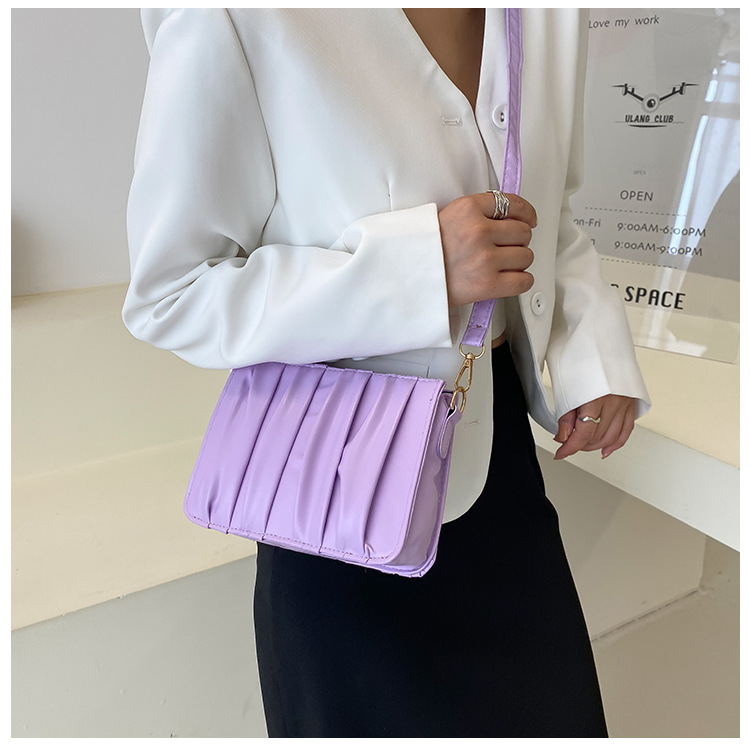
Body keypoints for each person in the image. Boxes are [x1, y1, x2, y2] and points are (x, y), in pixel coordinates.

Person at [123, 8, 651, 737]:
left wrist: (591, 351)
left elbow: (548, 209)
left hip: (499, 469)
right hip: (338, 489)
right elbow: (174, 292)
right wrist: (418, 269)